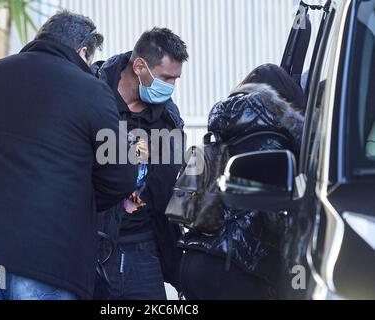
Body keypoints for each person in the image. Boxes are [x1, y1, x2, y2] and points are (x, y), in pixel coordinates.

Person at [0, 11, 137, 300]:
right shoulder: (93, 91)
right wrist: (74, 203)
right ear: (83, 51)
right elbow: (122, 176)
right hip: (48, 259)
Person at [178, 64, 305, 300]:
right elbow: (278, 218)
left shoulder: (219, 133)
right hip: (235, 270)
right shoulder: (277, 142)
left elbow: (184, 208)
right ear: (286, 99)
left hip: (193, 259)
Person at [92, 27, 188, 300]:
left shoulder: (167, 114)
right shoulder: (93, 95)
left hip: (144, 246)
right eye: (166, 77)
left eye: (175, 79)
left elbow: (171, 183)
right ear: (139, 66)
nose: (170, 87)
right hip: (88, 245)